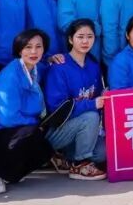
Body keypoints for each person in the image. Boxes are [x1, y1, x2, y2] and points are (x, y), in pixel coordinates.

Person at [0, 29, 54, 194]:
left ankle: (8, 173)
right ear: (19, 50)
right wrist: (37, 124)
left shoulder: (34, 70)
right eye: (28, 47)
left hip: (17, 128)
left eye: (38, 47)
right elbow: (9, 118)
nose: (34, 52)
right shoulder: (10, 76)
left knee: (45, 150)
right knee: (32, 135)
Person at [43, 19, 106, 180]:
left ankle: (64, 157)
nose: (85, 41)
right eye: (80, 37)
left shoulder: (93, 65)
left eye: (90, 37)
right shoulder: (60, 66)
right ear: (71, 39)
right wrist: (92, 104)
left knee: (103, 153)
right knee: (91, 116)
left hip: (82, 130)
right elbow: (57, 108)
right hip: (58, 130)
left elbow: (97, 95)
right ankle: (79, 165)